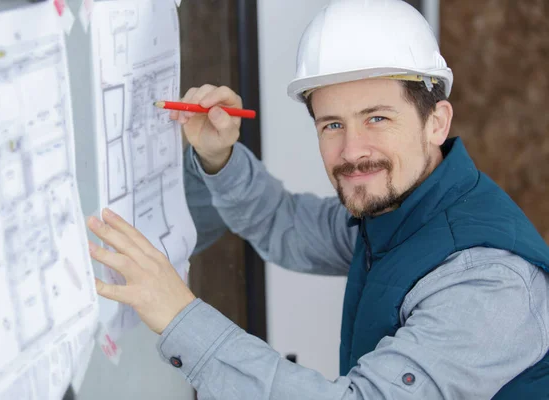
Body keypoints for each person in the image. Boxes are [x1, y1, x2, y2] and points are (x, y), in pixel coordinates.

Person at [85, 0, 549, 398]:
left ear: (437, 122)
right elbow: (284, 225)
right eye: (332, 124)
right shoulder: (398, 213)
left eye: (377, 119)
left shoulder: (487, 283)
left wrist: (179, 317)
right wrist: (218, 155)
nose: (351, 151)